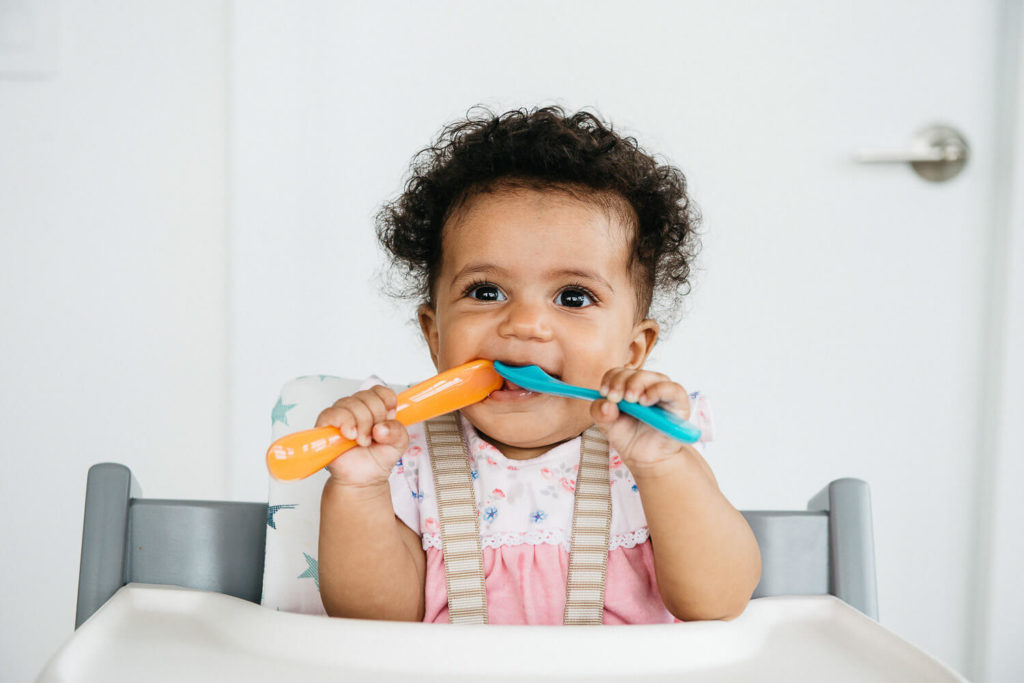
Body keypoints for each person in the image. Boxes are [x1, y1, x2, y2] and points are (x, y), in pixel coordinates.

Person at [315, 106, 761, 624]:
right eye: (486, 291)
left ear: (634, 351)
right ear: (434, 335)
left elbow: (720, 602)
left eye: (573, 297)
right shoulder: (402, 453)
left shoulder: (648, 453)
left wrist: (662, 465)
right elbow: (372, 624)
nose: (525, 323)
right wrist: (359, 487)